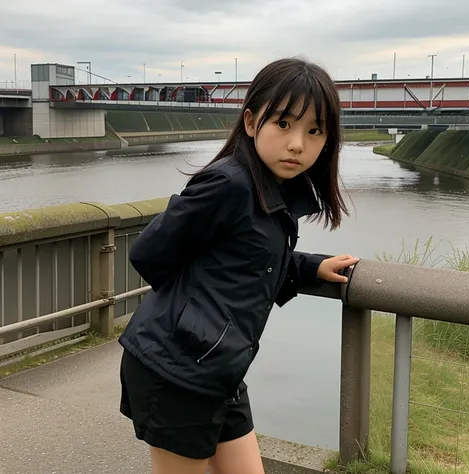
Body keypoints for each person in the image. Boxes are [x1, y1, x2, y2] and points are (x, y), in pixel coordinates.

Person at [118, 57, 359, 474]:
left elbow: (249, 259)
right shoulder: (229, 184)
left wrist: (309, 268)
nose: (298, 143)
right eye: (283, 124)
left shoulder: (274, 192)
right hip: (175, 371)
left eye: (314, 130)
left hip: (220, 371)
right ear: (250, 122)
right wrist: (194, 318)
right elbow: (148, 253)